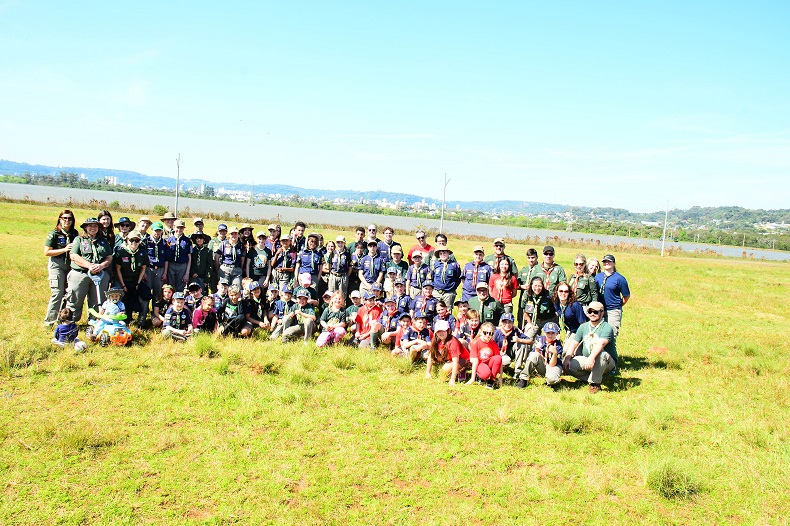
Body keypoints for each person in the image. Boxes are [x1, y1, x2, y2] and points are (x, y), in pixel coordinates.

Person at [64, 217, 113, 322]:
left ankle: (95, 323)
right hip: (80, 274)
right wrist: (89, 265)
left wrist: (102, 266)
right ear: (85, 227)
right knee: (75, 300)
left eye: (95, 226)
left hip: (99, 274)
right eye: (90, 225)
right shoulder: (79, 239)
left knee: (98, 301)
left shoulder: (103, 241)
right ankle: (69, 323)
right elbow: (73, 255)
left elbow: (109, 257)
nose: (93, 228)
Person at [562, 301, 617, 393]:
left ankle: (595, 384)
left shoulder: (607, 327)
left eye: (596, 312)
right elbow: (574, 343)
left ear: (602, 313)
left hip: (606, 361)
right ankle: (597, 377)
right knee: (568, 366)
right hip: (587, 359)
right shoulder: (583, 326)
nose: (592, 314)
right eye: (590, 311)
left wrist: (591, 358)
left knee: (601, 354)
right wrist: (567, 358)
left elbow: (601, 344)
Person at [44, 209, 78, 326]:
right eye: (64, 218)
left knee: (67, 294)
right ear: (60, 219)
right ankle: (49, 322)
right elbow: (47, 252)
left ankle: (63, 320)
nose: (67, 221)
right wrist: (64, 249)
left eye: (69, 218)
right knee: (57, 293)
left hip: (70, 266)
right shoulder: (54, 233)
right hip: (57, 265)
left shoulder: (75, 233)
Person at [113, 230, 149, 327]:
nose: (134, 243)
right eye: (132, 240)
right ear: (127, 240)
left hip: (135, 280)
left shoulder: (142, 253)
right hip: (122, 280)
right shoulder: (121, 252)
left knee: (146, 295)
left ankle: (141, 321)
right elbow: (118, 269)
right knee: (118, 294)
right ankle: (118, 320)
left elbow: (143, 268)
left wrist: (137, 283)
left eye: (136, 241)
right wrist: (123, 285)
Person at [595, 254, 631, 339]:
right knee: (598, 334)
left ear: (614, 263)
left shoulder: (619, 279)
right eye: (605, 261)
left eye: (609, 261)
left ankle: (610, 352)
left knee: (611, 335)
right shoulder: (598, 277)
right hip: (600, 310)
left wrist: (618, 305)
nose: (606, 263)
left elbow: (626, 296)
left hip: (613, 311)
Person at [425, 320, 469, 386]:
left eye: (443, 330)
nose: (441, 333)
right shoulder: (436, 340)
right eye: (438, 331)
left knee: (445, 369)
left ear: (448, 330)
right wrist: (428, 373)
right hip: (449, 358)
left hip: (462, 359)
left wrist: (452, 380)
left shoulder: (452, 342)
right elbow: (431, 356)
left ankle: (461, 371)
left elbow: (455, 362)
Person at [494, 312, 533, 381]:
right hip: (498, 353)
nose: (507, 324)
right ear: (501, 322)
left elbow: (530, 341)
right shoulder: (497, 331)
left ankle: (517, 372)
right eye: (505, 322)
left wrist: (519, 340)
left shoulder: (515, 330)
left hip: (510, 352)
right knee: (506, 361)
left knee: (522, 345)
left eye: (510, 322)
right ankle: (500, 368)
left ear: (513, 323)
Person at [524, 322, 563, 388]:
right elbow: (533, 356)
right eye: (548, 333)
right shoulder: (540, 340)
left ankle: (552, 382)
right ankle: (524, 378)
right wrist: (537, 349)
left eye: (553, 333)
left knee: (552, 380)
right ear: (544, 332)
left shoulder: (558, 345)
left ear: (556, 334)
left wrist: (554, 353)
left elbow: (552, 364)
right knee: (533, 355)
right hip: (542, 366)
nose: (550, 335)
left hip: (553, 366)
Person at [517, 248, 546, 327]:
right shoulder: (524, 270)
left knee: (534, 322)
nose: (531, 260)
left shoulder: (541, 270)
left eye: (533, 257)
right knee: (521, 319)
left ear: (537, 257)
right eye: (529, 258)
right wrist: (522, 286)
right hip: (524, 298)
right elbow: (516, 285)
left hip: (535, 299)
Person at [467, 322, 502, 388]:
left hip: (489, 363)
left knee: (498, 358)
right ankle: (479, 376)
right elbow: (475, 361)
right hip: (480, 363)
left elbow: (499, 360)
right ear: (480, 332)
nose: (488, 335)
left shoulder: (493, 343)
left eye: (490, 333)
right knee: (485, 374)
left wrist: (500, 377)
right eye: (485, 332)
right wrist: (472, 378)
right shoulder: (476, 342)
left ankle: (491, 380)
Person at [145, 221, 169, 305]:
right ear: (151, 230)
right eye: (155, 230)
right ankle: (144, 314)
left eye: (159, 230)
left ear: (162, 231)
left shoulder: (164, 243)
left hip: (160, 270)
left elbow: (166, 259)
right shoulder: (146, 241)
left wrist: (165, 273)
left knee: (158, 292)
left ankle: (155, 313)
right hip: (149, 269)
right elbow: (143, 258)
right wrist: (144, 272)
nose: (157, 233)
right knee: (146, 292)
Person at [166, 220, 192, 290]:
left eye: (181, 228)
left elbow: (189, 258)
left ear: (183, 229)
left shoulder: (187, 241)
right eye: (177, 227)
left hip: (182, 266)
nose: (179, 230)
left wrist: (187, 273)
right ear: (173, 227)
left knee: (180, 287)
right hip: (171, 265)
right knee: (170, 287)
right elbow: (166, 257)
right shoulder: (169, 240)